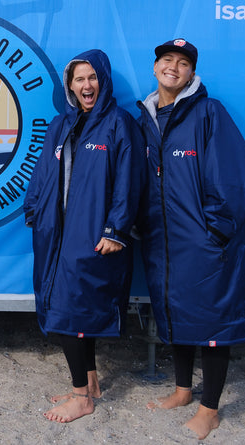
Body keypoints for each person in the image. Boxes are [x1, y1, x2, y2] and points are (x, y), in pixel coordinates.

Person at [136, 39, 245, 439]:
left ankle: (210, 408)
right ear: (155, 67)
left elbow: (238, 176)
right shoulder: (146, 118)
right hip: (165, 241)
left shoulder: (208, 113)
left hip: (203, 242)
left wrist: (213, 230)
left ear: (191, 73)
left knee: (213, 319)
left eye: (182, 63)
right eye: (167, 60)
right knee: (178, 311)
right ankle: (182, 390)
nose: (173, 68)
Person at [23, 49, 145, 423]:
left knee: (70, 309)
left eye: (92, 77)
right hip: (55, 232)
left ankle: (81, 398)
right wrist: (33, 209)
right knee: (69, 305)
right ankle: (90, 383)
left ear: (103, 80)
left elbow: (130, 180)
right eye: (79, 79)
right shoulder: (61, 124)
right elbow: (43, 173)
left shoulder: (119, 123)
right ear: (70, 85)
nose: (86, 85)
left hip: (93, 234)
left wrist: (116, 229)